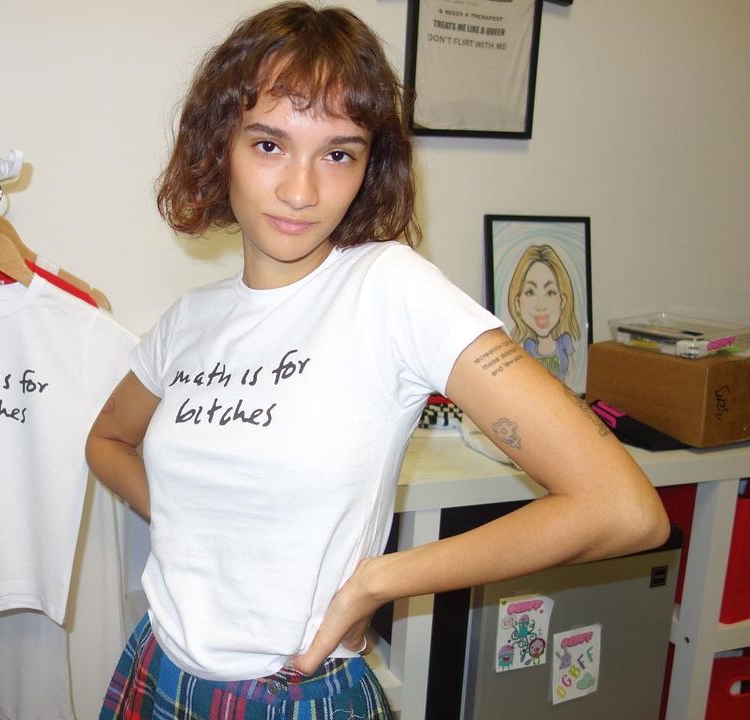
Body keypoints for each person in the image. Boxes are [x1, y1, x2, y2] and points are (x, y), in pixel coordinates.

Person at [86, 3, 669, 718]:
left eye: (338, 154)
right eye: (269, 145)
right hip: (158, 667)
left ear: (369, 167)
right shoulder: (188, 322)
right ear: (219, 146)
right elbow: (107, 441)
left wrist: (378, 582)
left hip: (294, 693)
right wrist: (185, 517)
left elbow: (622, 509)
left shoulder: (389, 289)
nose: (301, 190)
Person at [506, 243, 580, 383]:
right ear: (517, 303)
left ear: (562, 301)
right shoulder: (528, 347)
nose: (541, 305)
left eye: (550, 292)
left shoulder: (564, 343)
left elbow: (574, 378)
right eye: (530, 292)